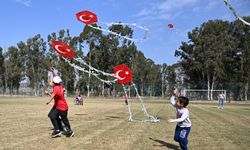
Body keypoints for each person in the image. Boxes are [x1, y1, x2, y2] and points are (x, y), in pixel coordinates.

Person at [46, 71, 74, 138]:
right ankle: (58, 130)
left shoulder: (56, 88)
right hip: (57, 106)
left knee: (64, 119)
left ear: (55, 82)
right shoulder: (59, 85)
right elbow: (50, 82)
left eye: (53, 81)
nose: (52, 82)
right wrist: (50, 74)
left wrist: (48, 101)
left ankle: (70, 131)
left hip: (62, 107)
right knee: (51, 115)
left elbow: (53, 96)